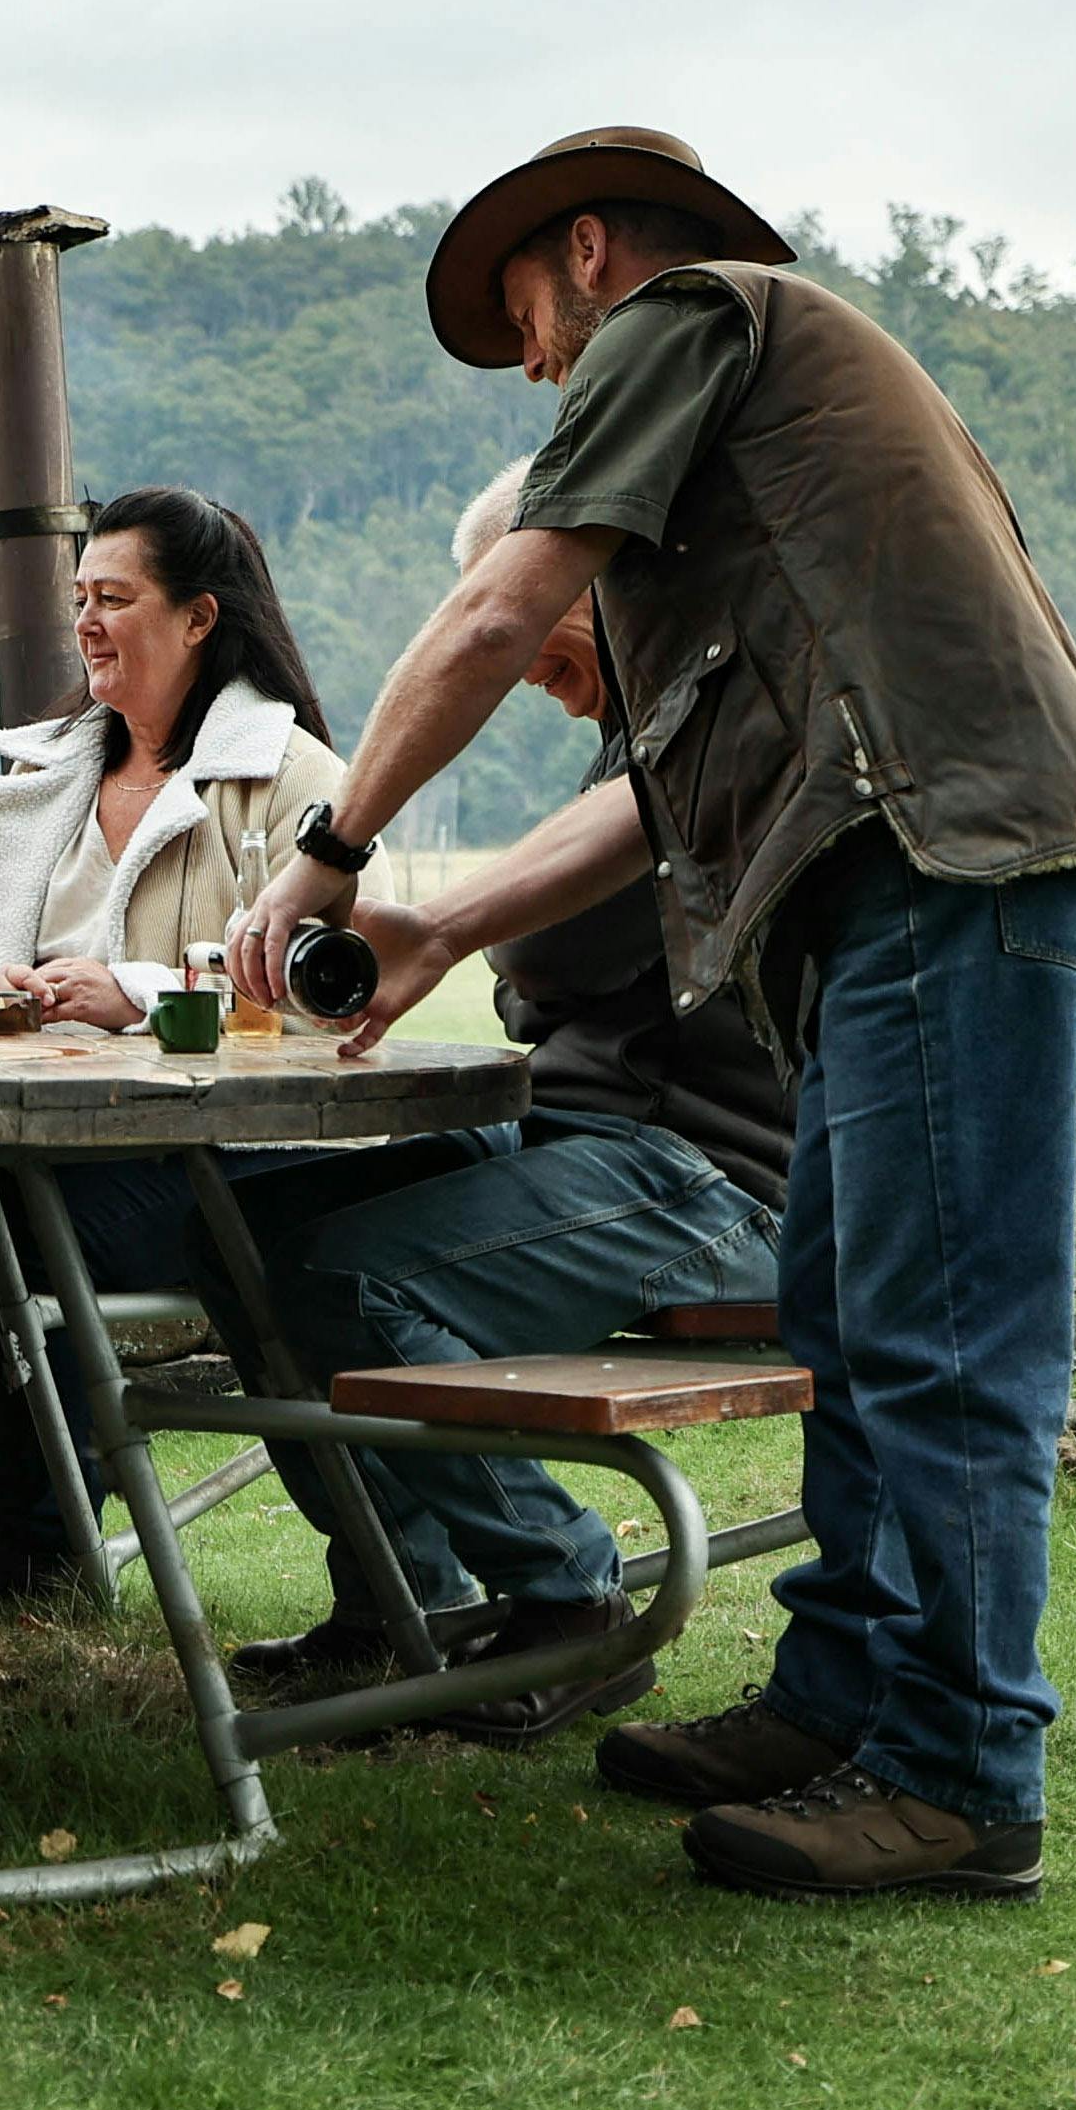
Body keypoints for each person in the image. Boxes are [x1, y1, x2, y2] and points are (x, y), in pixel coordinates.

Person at [233, 129, 1076, 1902]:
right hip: (888, 873)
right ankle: (836, 1698)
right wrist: (439, 924)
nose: (534, 366)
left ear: (587, 252)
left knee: (945, 1342)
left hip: (949, 859)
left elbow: (498, 594)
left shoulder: (686, 315)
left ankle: (964, 1766)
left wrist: (328, 850)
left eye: (524, 317)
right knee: (850, 1312)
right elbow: (651, 791)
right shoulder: (766, 445)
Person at [197, 452, 790, 1745]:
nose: (519, 651)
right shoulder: (628, 750)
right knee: (250, 1230)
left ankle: (567, 1597)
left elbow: (545, 964)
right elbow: (548, 974)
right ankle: (399, 1604)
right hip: (604, 1135)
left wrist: (492, 943)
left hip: (714, 1174)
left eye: (527, 607)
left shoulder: (706, 735)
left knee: (355, 1276)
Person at [0, 485, 362, 1608]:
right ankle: (36, 1515)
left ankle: (27, 1536)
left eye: (115, 598)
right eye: (80, 600)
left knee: (6, 1233)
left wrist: (139, 991)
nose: (87, 623)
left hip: (217, 1156)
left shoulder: (294, 774)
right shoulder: (44, 778)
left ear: (201, 618)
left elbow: (333, 983)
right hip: (30, 1143)